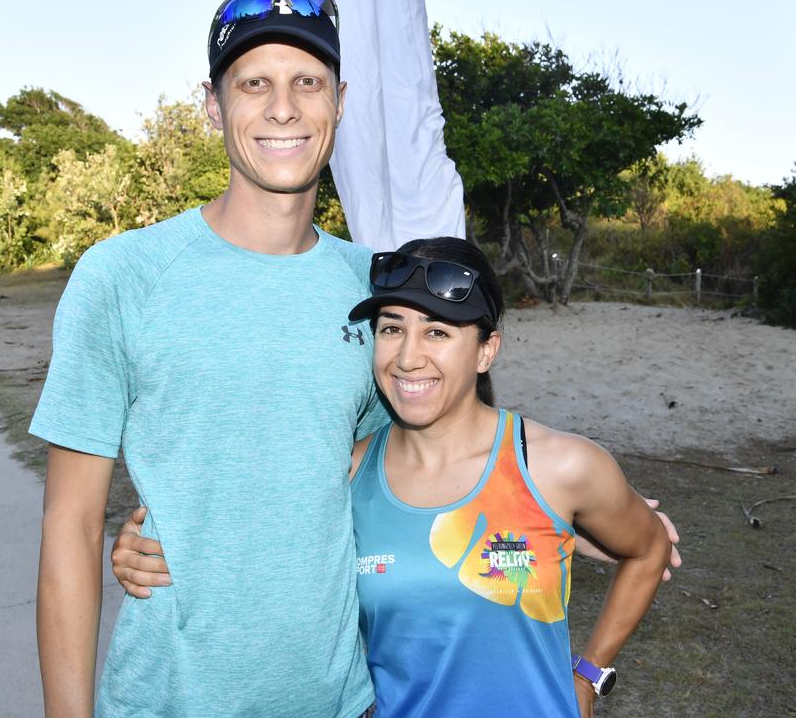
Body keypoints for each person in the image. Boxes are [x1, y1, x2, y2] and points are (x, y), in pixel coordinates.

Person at [115, 238, 674, 718]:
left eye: (438, 333)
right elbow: (246, 531)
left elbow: (649, 550)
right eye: (391, 328)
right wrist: (143, 543)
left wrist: (588, 675)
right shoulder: (346, 473)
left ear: (486, 350)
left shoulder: (557, 465)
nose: (408, 358)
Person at [31, 0, 384, 718]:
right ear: (214, 106)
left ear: (340, 101)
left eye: (307, 82)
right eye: (254, 83)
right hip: (167, 698)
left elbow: (406, 465)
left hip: (340, 701)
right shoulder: (123, 277)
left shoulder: (376, 287)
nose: (282, 108)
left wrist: (571, 505)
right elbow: (68, 523)